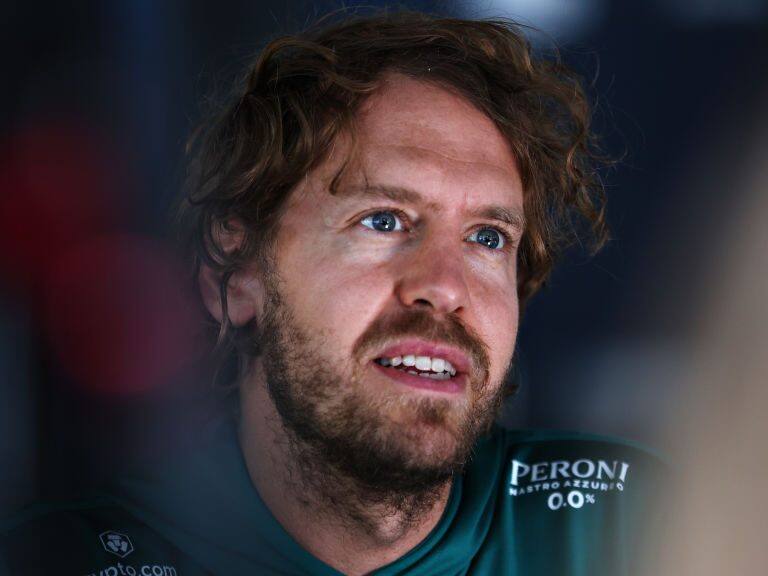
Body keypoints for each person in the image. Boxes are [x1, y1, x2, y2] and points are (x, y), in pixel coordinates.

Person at [1, 11, 666, 575]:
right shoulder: (60, 557)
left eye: (488, 238)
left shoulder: (641, 527)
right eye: (384, 220)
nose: (445, 287)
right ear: (235, 277)